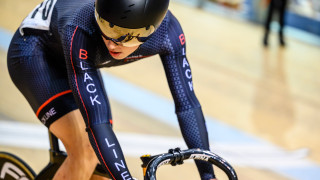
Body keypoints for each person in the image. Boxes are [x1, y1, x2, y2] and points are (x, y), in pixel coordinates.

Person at [7, 0, 216, 179]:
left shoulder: (169, 34)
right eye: (108, 28)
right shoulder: (81, 28)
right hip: (36, 53)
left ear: (151, 29)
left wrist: (208, 174)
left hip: (79, 59)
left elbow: (187, 105)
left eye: (127, 36)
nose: (114, 43)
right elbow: (96, 124)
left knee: (100, 168)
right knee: (86, 152)